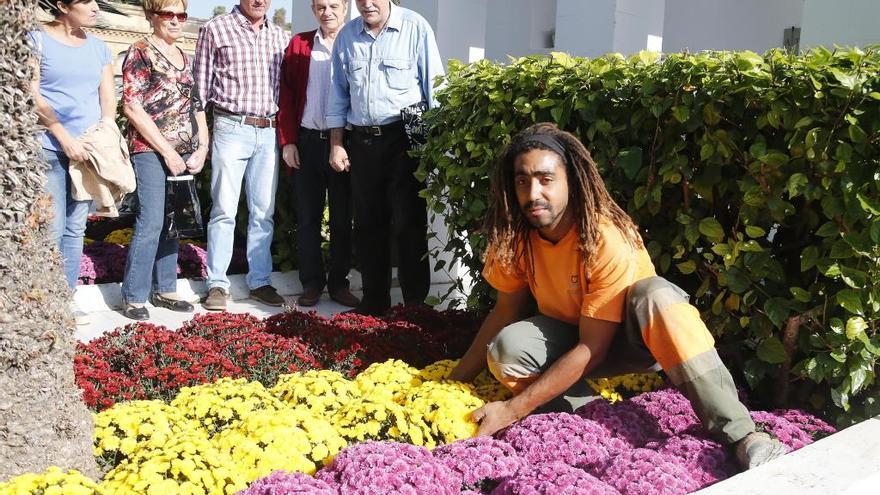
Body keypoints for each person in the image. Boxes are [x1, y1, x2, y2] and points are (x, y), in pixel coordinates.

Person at [448, 123, 788, 470]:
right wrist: (451, 383)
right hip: (573, 335)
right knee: (509, 348)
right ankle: (602, 423)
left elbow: (592, 348)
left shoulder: (603, 237)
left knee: (657, 296)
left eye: (546, 179)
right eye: (523, 181)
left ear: (571, 181)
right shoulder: (515, 238)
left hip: (634, 340)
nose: (533, 192)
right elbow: (504, 313)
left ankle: (745, 437)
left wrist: (511, 410)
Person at [326, 0, 444, 316]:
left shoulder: (416, 27)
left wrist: (433, 148)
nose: (366, 4)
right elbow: (337, 94)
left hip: (404, 139)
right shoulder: (347, 36)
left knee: (408, 223)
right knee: (367, 225)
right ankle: (374, 304)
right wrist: (337, 144)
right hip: (361, 142)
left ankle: (416, 309)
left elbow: (435, 88)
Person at [194, 0, 289, 311]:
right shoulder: (215, 29)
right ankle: (217, 284)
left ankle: (260, 281)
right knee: (224, 209)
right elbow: (200, 90)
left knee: (264, 212)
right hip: (231, 127)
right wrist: (202, 140)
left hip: (269, 131)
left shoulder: (280, 36)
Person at [119, 0, 209, 320]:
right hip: (149, 149)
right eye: (167, 14)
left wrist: (202, 147)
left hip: (184, 151)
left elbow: (196, 105)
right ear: (151, 16)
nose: (174, 20)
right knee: (153, 219)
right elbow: (132, 107)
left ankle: (166, 289)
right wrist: (167, 152)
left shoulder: (185, 56)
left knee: (175, 220)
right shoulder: (140, 51)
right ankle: (134, 295)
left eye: (180, 15)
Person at [30, 0, 115, 323]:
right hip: (48, 147)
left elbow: (108, 97)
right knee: (51, 228)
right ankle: (41, 302)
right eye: (86, 1)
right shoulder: (36, 39)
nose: (95, 7)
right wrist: (63, 137)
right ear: (62, 5)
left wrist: (104, 131)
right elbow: (33, 94)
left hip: (87, 152)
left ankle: (64, 300)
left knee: (76, 227)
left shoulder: (99, 48)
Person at [278, 0, 360, 309]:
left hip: (343, 145)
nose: (327, 12)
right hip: (308, 142)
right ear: (314, 10)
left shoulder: (355, 41)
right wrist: (288, 142)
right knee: (308, 217)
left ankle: (339, 283)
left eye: (334, 6)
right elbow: (285, 94)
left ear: (345, 8)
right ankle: (311, 283)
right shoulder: (299, 43)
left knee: (342, 216)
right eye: (321, 6)